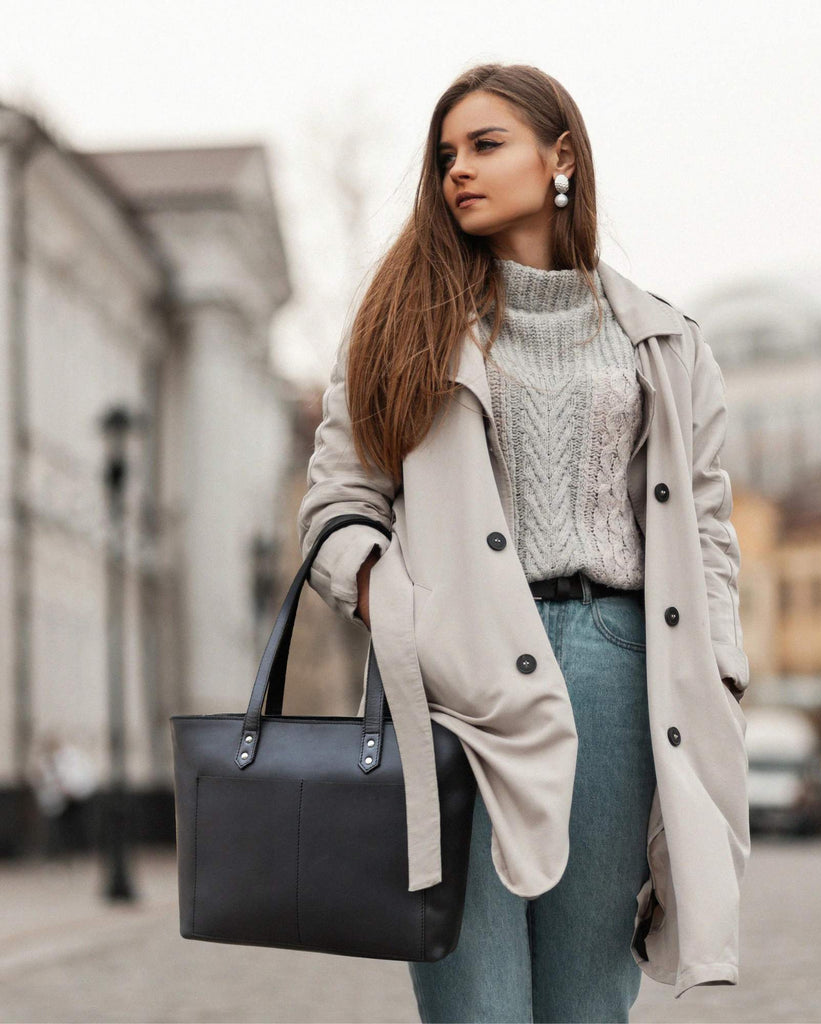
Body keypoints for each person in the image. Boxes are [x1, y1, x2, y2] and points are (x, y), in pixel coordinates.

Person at [297, 62, 750, 1022]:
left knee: (588, 999)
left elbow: (707, 530)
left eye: (485, 145)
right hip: (457, 678)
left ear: (562, 158)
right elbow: (337, 504)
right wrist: (402, 614)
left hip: (617, 669)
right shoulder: (397, 330)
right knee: (474, 1002)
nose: (458, 168)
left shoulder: (665, 344)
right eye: (446, 153)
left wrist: (722, 668)